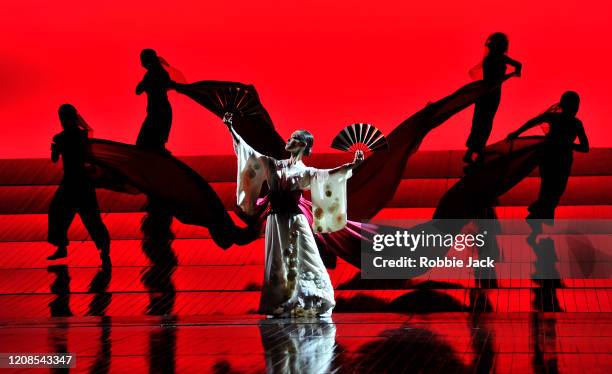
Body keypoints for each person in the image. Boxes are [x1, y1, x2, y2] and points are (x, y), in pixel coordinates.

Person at [223, 112, 363, 317]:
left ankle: (315, 299)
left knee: (306, 257)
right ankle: (281, 302)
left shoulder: (306, 172)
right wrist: (230, 128)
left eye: (294, 138)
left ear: (304, 145)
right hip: (275, 221)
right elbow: (247, 152)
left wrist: (353, 165)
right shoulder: (272, 164)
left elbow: (329, 175)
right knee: (278, 262)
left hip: (296, 221)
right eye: (290, 138)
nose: (289, 140)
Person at [507, 91, 589, 237]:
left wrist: (516, 133)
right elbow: (584, 147)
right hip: (560, 159)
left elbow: (533, 121)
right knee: (554, 190)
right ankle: (537, 217)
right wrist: (568, 145)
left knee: (548, 188)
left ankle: (536, 220)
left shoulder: (556, 118)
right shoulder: (576, 123)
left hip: (551, 157)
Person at [47, 104, 111, 268]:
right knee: (89, 218)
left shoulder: (62, 138)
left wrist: (55, 151)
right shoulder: (82, 136)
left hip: (73, 182)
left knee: (61, 212)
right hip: (80, 182)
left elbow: (55, 160)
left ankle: (63, 247)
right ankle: (104, 251)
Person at [464, 32, 522, 167]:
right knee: (485, 122)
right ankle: (477, 150)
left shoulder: (489, 58)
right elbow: (518, 64)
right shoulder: (500, 58)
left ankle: (472, 152)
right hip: (493, 95)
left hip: (485, 94)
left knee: (480, 122)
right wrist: (515, 73)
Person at [135, 48, 174, 151]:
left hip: (157, 114)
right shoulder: (161, 73)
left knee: (144, 146)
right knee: (155, 146)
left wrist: (145, 83)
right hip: (161, 112)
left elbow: (138, 90)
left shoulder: (151, 74)